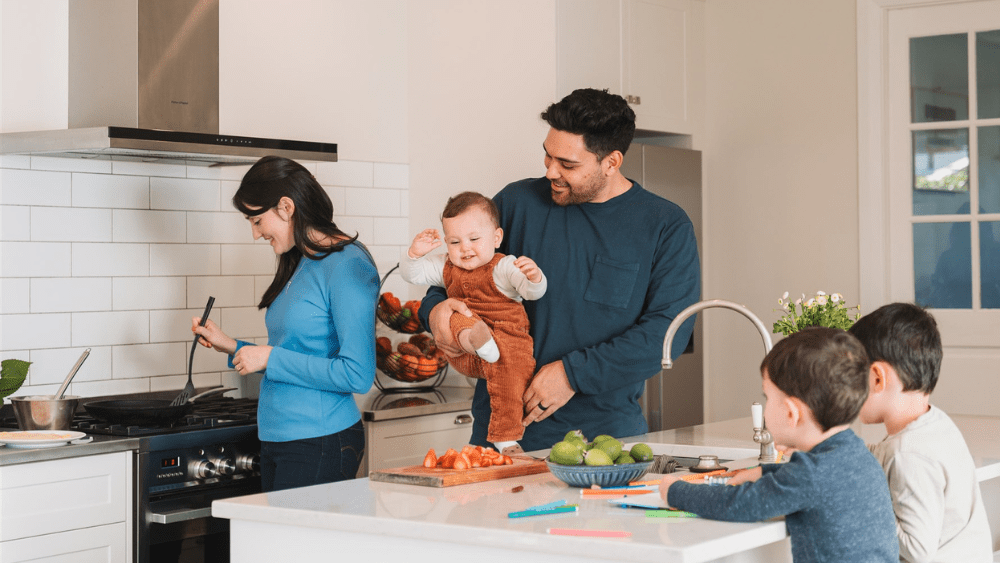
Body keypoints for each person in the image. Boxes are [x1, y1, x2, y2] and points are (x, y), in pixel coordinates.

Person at [418, 88, 701, 452]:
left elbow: (667, 333)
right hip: (502, 436)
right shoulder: (517, 203)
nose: (551, 171)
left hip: (606, 442)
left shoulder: (664, 225)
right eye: (547, 156)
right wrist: (435, 311)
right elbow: (455, 276)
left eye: (567, 164)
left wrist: (572, 374)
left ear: (611, 162)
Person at [192, 155, 379, 493]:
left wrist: (268, 358)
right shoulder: (301, 261)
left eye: (257, 220)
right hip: (281, 437)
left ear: (286, 207)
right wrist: (232, 346)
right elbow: (292, 352)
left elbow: (358, 374)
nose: (254, 234)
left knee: (298, 548)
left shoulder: (348, 264)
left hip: (321, 440)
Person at [658, 328, 899, 563]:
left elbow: (740, 504)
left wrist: (676, 491)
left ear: (791, 412)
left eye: (768, 398)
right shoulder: (855, 453)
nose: (765, 407)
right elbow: (803, 479)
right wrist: (763, 471)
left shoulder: (811, 474)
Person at [400, 191, 546, 451]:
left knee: (510, 383)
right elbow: (413, 275)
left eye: (474, 239)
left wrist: (534, 278)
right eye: (455, 242)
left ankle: (506, 438)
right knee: (456, 313)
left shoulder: (504, 267)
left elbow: (530, 291)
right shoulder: (445, 266)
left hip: (506, 345)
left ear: (496, 238)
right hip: (465, 351)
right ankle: (476, 340)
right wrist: (414, 253)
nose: (465, 248)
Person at [849, 303, 992, 563]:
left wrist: (862, 501)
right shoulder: (933, 425)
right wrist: (842, 450)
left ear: (877, 378)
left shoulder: (909, 453)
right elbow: (885, 456)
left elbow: (917, 550)